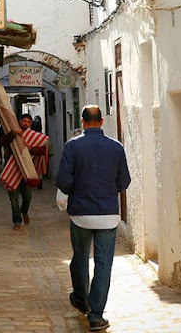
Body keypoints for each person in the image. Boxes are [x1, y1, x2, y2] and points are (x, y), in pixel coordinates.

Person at [55, 105, 131, 332]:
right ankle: (96, 316)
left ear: (83, 121)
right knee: (103, 264)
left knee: (79, 257)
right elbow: (123, 182)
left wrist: (77, 188)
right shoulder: (116, 148)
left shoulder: (72, 146)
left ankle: (80, 298)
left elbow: (63, 181)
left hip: (80, 213)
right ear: (101, 122)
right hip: (107, 214)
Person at [0, 113, 47, 230]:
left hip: (26, 171)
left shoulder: (33, 137)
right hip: (13, 170)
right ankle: (17, 221)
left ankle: (24, 211)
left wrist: (30, 148)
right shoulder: (14, 133)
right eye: (24, 121)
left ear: (30, 124)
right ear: (20, 121)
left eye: (28, 122)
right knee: (13, 199)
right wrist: (13, 133)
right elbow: (2, 141)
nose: (25, 123)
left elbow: (42, 150)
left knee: (27, 196)